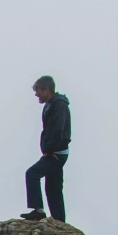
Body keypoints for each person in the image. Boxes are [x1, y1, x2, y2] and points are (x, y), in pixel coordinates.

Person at [22, 76, 70, 222]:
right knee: (53, 188)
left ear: (47, 90)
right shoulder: (49, 105)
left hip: (56, 153)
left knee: (32, 173)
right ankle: (59, 221)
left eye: (38, 91)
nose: (36, 94)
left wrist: (49, 150)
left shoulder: (59, 105)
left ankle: (38, 210)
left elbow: (58, 131)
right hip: (54, 152)